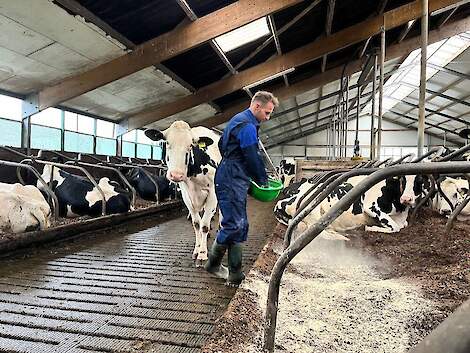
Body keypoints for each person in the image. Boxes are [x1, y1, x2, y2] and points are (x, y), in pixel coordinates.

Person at [204, 91, 279, 287]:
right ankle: (214, 264)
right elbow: (252, 156)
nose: (268, 117)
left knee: (239, 224)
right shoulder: (247, 126)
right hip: (231, 178)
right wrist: (262, 179)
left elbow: (222, 144)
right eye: (267, 112)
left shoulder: (238, 120)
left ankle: (235, 273)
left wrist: (232, 160)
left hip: (233, 174)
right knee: (233, 224)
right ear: (256, 107)